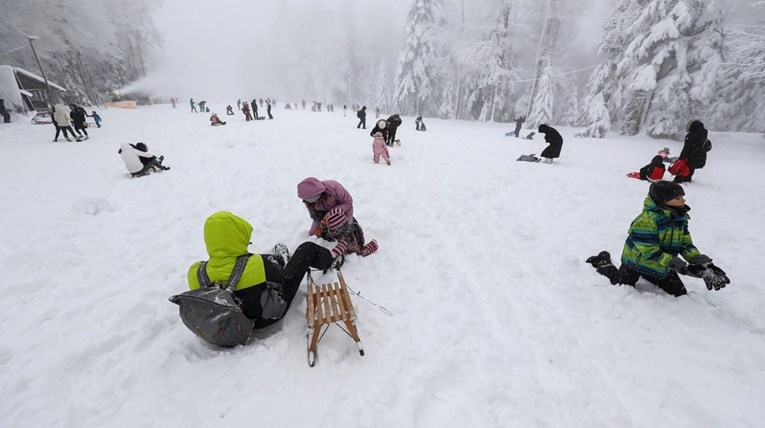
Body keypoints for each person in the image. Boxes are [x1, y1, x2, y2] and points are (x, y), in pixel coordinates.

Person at [186, 211, 344, 328]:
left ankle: (277, 259)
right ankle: (330, 260)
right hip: (264, 319)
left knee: (260, 263)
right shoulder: (255, 264)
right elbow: (283, 278)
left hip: (224, 324)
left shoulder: (195, 272)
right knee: (306, 249)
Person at [586, 181, 729, 297]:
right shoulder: (647, 220)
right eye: (678, 198)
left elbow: (685, 243)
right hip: (635, 263)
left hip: (661, 265)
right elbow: (650, 251)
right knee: (619, 283)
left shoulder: (679, 217)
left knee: (680, 294)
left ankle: (650, 275)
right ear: (664, 200)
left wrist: (699, 261)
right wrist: (678, 265)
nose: (683, 200)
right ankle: (602, 262)